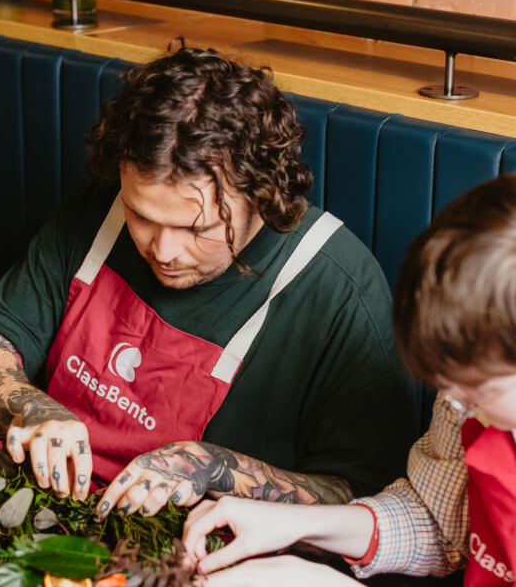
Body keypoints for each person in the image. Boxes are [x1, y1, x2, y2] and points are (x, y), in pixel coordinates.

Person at [0, 45, 418, 516]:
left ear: (262, 192)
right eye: (142, 216)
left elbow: (363, 500)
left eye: (198, 229)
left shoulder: (339, 288)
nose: (163, 251)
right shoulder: (97, 208)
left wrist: (213, 466)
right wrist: (30, 409)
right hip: (47, 507)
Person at [182, 174, 516, 586]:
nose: (453, 402)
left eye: (481, 388)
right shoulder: (463, 392)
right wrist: (297, 523)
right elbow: (439, 525)